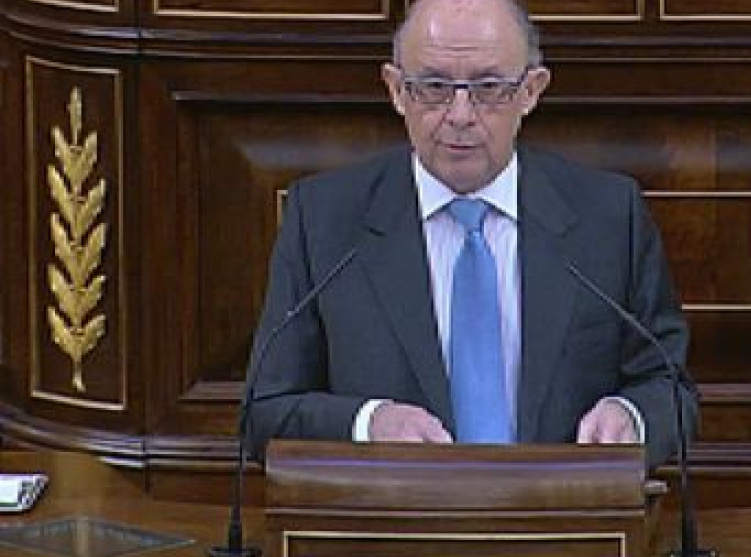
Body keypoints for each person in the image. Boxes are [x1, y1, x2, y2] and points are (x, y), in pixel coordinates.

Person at [244, 0, 696, 468]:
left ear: (531, 91)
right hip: (393, 510)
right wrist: (367, 423)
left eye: (489, 88)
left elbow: (669, 387)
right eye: (434, 87)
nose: (460, 115)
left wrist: (631, 416)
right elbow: (264, 412)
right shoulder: (325, 220)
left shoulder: (608, 215)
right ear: (396, 90)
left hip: (560, 508)